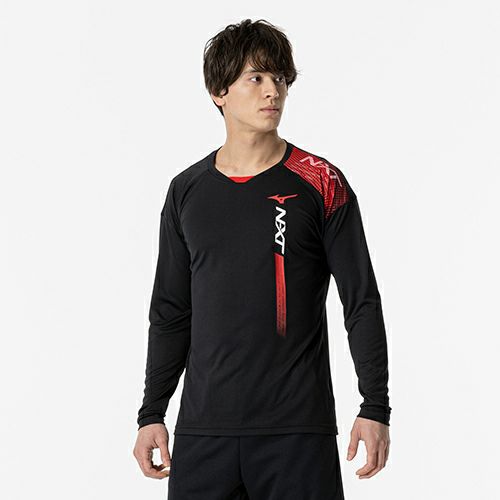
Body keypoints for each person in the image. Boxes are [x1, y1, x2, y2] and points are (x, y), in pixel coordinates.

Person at [133, 18, 391, 499]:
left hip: (296, 433)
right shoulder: (186, 191)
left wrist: (374, 405)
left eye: (280, 78)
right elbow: (170, 311)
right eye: (256, 78)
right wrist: (152, 413)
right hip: (204, 433)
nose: (273, 91)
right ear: (219, 92)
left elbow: (361, 301)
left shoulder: (321, 182)